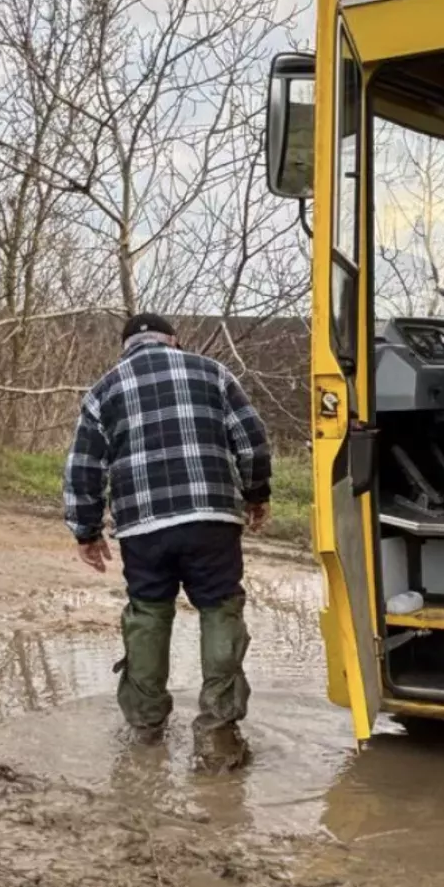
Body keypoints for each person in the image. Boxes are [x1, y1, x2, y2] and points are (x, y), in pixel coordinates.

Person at [64, 312, 272, 773]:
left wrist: (86, 530)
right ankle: (217, 736)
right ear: (174, 340)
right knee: (220, 609)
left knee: (148, 616)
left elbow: (83, 468)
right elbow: (253, 440)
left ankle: (145, 730)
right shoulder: (213, 373)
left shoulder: (104, 390)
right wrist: (257, 494)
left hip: (143, 529)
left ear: (125, 349)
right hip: (211, 520)